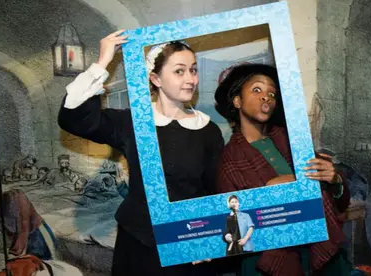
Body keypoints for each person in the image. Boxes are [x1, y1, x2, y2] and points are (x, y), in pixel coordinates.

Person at [58, 30, 224, 275]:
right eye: (179, 71)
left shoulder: (206, 129)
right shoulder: (132, 123)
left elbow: (215, 190)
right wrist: (102, 62)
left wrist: (209, 237)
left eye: (193, 69)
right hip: (140, 245)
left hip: (188, 244)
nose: (191, 78)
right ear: (156, 78)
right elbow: (73, 118)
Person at [215, 63, 351, 276]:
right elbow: (232, 230)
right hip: (269, 263)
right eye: (257, 90)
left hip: (320, 251)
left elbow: (340, 201)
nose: (266, 97)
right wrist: (268, 195)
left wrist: (336, 181)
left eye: (272, 93)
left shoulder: (292, 139)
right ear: (237, 101)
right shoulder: (229, 160)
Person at [0, 184, 56, 260]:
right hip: (22, 243)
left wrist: (15, 252)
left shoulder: (14, 196)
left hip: (38, 236)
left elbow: (23, 225)